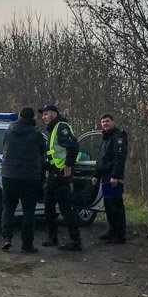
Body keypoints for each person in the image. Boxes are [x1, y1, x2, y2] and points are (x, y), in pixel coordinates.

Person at [0, 106, 46, 253]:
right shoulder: (36, 134)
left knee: (8, 207)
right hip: (29, 177)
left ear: (20, 116)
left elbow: (4, 147)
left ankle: (7, 238)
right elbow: (43, 153)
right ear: (32, 118)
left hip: (8, 175)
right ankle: (27, 245)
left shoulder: (9, 130)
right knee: (28, 211)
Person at [39, 104, 83, 251]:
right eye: (43, 115)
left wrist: (68, 166)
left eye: (46, 114)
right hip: (53, 173)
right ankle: (53, 237)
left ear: (54, 114)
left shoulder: (61, 127)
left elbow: (73, 146)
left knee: (64, 208)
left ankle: (75, 240)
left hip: (61, 174)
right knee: (49, 206)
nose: (43, 117)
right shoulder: (53, 129)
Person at [92, 113, 129, 243]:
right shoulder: (105, 138)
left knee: (116, 205)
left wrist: (115, 176)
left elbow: (120, 158)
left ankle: (120, 235)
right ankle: (112, 230)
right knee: (108, 205)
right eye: (103, 122)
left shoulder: (118, 137)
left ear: (112, 122)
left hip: (113, 177)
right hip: (105, 176)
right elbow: (101, 159)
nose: (105, 124)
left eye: (107, 121)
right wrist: (96, 175)